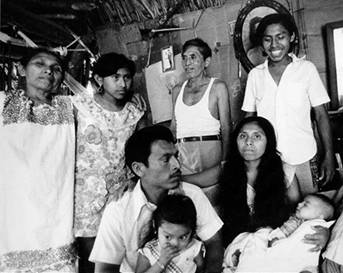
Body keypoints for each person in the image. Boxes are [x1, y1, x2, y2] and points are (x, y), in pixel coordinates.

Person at [89, 125, 223, 273]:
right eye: (166, 159)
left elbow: (214, 243)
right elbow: (105, 269)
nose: (177, 165)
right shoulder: (118, 209)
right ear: (138, 169)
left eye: (176, 156)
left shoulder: (191, 195)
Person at [183, 117, 328, 250]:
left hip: (274, 244)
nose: (249, 142)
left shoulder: (285, 171)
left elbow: (299, 214)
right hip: (236, 246)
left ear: (268, 141)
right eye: (243, 136)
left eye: (257, 136)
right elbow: (186, 181)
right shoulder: (226, 169)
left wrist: (324, 232)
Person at [241, 13, 335, 195]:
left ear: (291, 37)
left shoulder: (306, 69)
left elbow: (321, 115)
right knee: (278, 212)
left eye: (280, 37)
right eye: (268, 39)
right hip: (269, 159)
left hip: (304, 155)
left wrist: (329, 155)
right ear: (262, 43)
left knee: (310, 208)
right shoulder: (255, 75)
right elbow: (248, 118)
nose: (274, 45)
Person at [0, 48, 76, 271]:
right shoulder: (3, 103)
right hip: (14, 208)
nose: (48, 71)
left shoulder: (70, 107)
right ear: (22, 69)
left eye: (56, 68)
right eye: (39, 64)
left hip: (57, 208)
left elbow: (108, 110)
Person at [72, 52, 149, 273]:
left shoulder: (135, 113)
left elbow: (143, 151)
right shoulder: (80, 107)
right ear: (99, 80)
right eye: (115, 77)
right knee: (89, 257)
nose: (122, 83)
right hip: (86, 195)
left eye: (126, 77)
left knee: (118, 254)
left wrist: (134, 181)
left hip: (120, 194)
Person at [171, 38, 231, 204]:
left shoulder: (217, 87)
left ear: (206, 61)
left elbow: (226, 128)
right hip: (184, 155)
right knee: (189, 205)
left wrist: (225, 162)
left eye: (193, 57)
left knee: (214, 204)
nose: (187, 63)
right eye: (184, 58)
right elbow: (173, 128)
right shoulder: (177, 90)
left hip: (211, 154)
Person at [223, 194, 334, 273]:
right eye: (302, 201)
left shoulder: (316, 227)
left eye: (306, 204)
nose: (299, 204)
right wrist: (276, 240)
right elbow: (282, 237)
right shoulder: (295, 220)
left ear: (320, 217)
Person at [135, 194, 204, 273]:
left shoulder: (194, 248)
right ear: (155, 226)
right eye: (167, 237)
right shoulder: (149, 251)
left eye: (183, 237)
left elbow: (201, 269)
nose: (175, 243)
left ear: (192, 231)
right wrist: (161, 263)